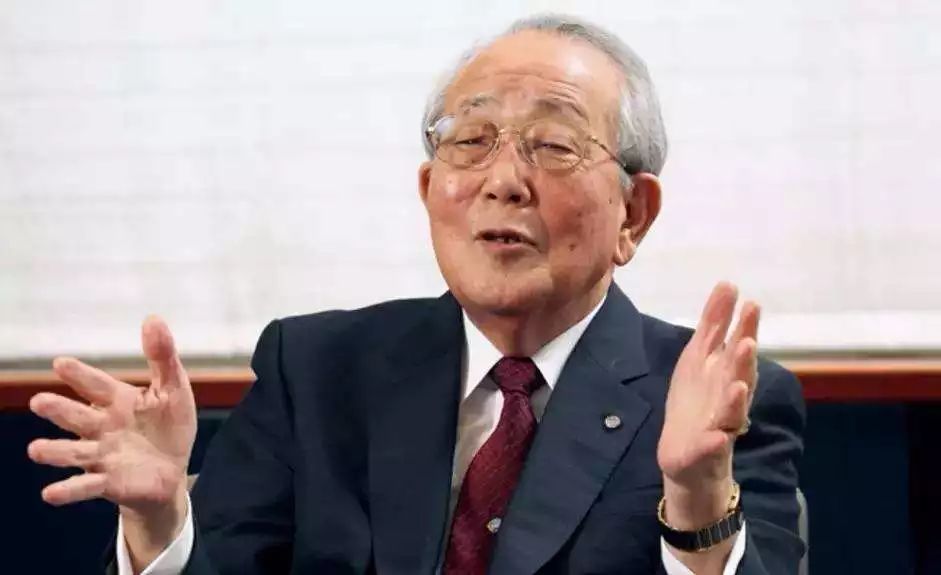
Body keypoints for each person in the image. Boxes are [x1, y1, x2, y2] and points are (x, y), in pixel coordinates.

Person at [27, 14, 805, 575]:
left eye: (553, 144)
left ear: (633, 213)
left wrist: (697, 498)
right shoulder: (315, 370)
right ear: (430, 188)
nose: (503, 181)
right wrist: (161, 523)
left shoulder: (714, 404)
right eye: (471, 140)